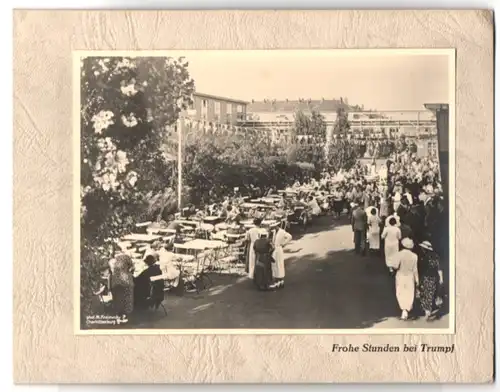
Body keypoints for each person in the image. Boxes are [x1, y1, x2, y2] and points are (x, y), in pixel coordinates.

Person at [393, 238, 419, 320]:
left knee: (400, 292)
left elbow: (395, 266)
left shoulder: (399, 254)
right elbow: (415, 269)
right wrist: (417, 280)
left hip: (400, 275)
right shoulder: (415, 256)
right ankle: (407, 309)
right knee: (409, 293)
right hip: (410, 276)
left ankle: (403, 309)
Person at [417, 241, 444, 320]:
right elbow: (439, 268)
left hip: (425, 277)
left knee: (425, 293)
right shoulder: (436, 256)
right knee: (431, 293)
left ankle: (427, 310)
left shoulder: (423, 257)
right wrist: (441, 278)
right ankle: (429, 309)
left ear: (424, 249)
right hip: (434, 277)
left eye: (422, 248)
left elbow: (421, 268)